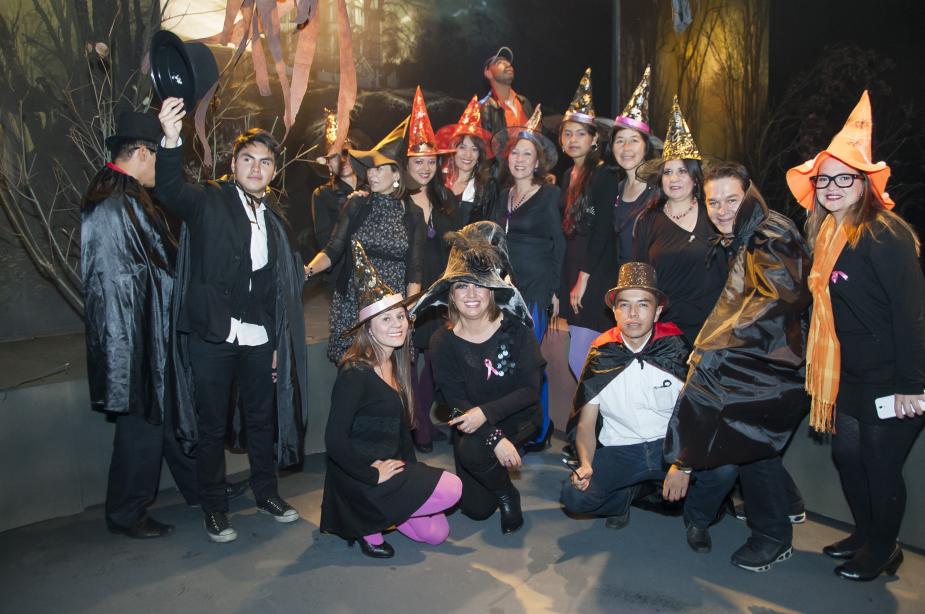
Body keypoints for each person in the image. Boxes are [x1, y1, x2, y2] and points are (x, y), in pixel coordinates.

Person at [155, 98, 309, 544]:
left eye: (265, 162)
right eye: (248, 159)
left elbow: (274, 287)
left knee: (261, 419)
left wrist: (277, 342)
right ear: (233, 163)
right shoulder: (209, 198)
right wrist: (171, 140)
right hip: (213, 334)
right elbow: (170, 190)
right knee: (211, 427)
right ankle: (215, 508)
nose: (256, 168)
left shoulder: (273, 217)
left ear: (274, 171)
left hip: (258, 335)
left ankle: (267, 494)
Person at [786, 91, 925, 581]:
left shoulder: (886, 234)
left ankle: (883, 549)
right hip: (849, 372)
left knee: (880, 466)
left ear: (865, 184)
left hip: (891, 376)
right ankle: (867, 534)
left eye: (844, 178)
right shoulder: (827, 234)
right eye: (824, 179)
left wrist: (912, 384)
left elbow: (911, 315)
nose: (832, 187)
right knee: (848, 457)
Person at [662, 161, 811, 572]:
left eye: (732, 200)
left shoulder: (769, 233)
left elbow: (775, 299)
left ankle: (773, 537)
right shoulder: (749, 232)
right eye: (714, 202)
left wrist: (718, 345)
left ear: (750, 195)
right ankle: (789, 505)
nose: (722, 209)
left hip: (772, 361)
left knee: (752, 445)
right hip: (762, 357)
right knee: (754, 442)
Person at [80, 110, 196, 538]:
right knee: (143, 424)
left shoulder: (115, 193)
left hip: (139, 328)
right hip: (134, 335)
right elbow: (149, 269)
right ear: (144, 153)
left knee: (165, 415)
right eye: (161, 157)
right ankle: (126, 512)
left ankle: (202, 487)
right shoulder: (116, 202)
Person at [562, 262, 736, 535]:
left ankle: (697, 520)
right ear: (614, 311)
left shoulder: (674, 350)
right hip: (621, 449)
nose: (633, 314)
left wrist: (683, 465)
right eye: (624, 305)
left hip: (669, 447)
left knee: (725, 469)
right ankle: (621, 500)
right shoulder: (602, 353)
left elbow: (697, 416)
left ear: (657, 312)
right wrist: (585, 463)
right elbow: (586, 424)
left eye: (643, 304)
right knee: (575, 496)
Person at [321, 240, 462, 559]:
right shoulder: (355, 373)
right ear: (368, 328)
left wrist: (411, 477)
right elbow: (334, 439)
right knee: (453, 488)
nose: (397, 325)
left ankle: (390, 513)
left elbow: (400, 432)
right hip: (362, 475)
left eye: (400, 317)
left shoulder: (397, 363)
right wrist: (372, 475)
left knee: (437, 533)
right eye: (386, 319)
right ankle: (367, 522)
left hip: (392, 467)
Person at [412, 222, 542, 534]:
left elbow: (530, 390)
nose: (471, 295)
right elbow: (454, 401)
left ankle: (507, 496)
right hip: (470, 418)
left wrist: (490, 422)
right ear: (451, 294)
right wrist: (493, 438)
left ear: (492, 291)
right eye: (462, 286)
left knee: (473, 451)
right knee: (476, 510)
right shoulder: (442, 341)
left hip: (517, 415)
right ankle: (501, 483)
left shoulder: (516, 331)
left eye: (479, 285)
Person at [304, 119, 425, 363]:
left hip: (392, 307)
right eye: (369, 168)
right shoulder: (357, 204)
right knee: (355, 371)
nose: (371, 173)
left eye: (378, 168)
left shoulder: (412, 214)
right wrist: (306, 270)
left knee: (390, 372)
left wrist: (408, 312)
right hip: (355, 301)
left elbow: (415, 272)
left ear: (396, 174)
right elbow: (333, 250)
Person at [491, 106, 564, 449]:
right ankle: (516, 426)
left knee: (529, 362)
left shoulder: (550, 195)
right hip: (504, 290)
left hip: (535, 289)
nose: (519, 159)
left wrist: (555, 290)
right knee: (508, 362)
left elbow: (559, 243)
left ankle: (539, 427)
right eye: (515, 153)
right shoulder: (502, 195)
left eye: (527, 154)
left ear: (537, 162)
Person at [632, 96, 727, 345]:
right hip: (666, 331)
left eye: (682, 171)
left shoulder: (714, 215)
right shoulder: (647, 221)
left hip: (712, 330)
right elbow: (639, 277)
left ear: (695, 178)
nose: (674, 179)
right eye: (668, 172)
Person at [403, 87, 462, 452]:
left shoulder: (446, 199)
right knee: (408, 360)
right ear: (406, 164)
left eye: (430, 162)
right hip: (408, 291)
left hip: (441, 291)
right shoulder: (396, 201)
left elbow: (456, 246)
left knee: (438, 357)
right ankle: (418, 427)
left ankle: (422, 419)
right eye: (417, 162)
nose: (424, 168)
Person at [555, 68, 620, 376]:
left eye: (581, 133)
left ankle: (600, 407)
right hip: (573, 268)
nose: (573, 139)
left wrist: (583, 278)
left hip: (594, 272)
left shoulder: (603, 176)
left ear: (594, 139)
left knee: (584, 357)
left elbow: (601, 230)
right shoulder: (567, 176)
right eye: (568, 133)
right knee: (581, 357)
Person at [588, 65, 659, 294]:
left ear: (646, 147)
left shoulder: (659, 191)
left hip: (654, 286)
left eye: (634, 140)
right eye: (620, 141)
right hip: (622, 284)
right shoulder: (615, 190)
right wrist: (585, 204)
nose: (626, 147)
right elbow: (595, 218)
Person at [310, 108, 364, 290]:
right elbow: (326, 242)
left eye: (346, 153)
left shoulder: (373, 187)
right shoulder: (322, 194)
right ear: (328, 164)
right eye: (335, 156)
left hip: (380, 271)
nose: (342, 160)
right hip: (344, 277)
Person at [437, 95, 499, 223]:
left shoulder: (486, 187)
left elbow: (490, 227)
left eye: (474, 149)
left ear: (479, 155)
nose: (468, 155)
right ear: (453, 150)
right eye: (462, 147)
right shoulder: (439, 181)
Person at [479, 47, 533, 138]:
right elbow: (482, 144)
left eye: (508, 62)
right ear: (488, 73)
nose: (508, 64)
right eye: (499, 62)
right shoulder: (483, 108)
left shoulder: (524, 102)